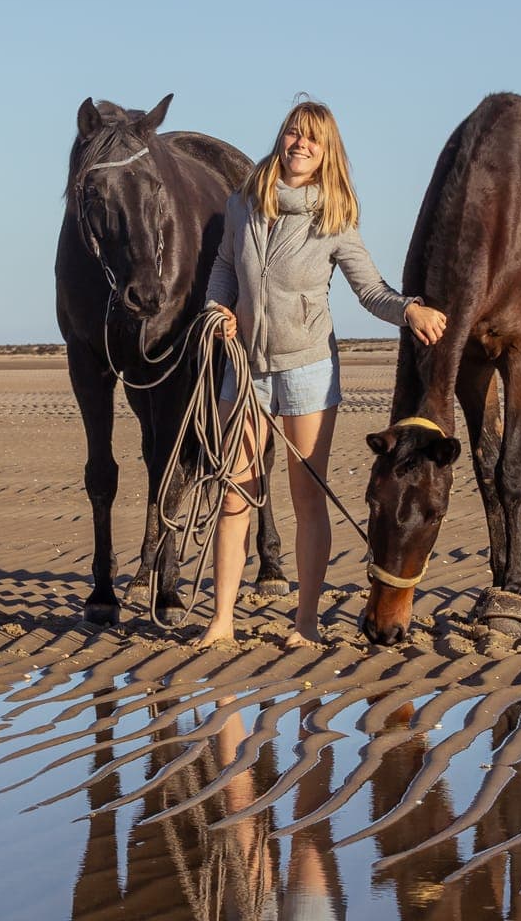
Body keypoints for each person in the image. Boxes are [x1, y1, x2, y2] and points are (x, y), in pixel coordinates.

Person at [198, 98, 446, 648]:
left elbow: (369, 289)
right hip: (245, 370)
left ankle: (305, 622)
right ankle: (221, 623)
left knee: (307, 498)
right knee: (235, 494)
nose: (300, 144)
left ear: (326, 150)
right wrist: (218, 307)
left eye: (313, 138)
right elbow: (221, 266)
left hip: (307, 370)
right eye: (293, 133)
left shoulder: (334, 216)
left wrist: (408, 309)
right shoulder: (242, 204)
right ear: (281, 138)